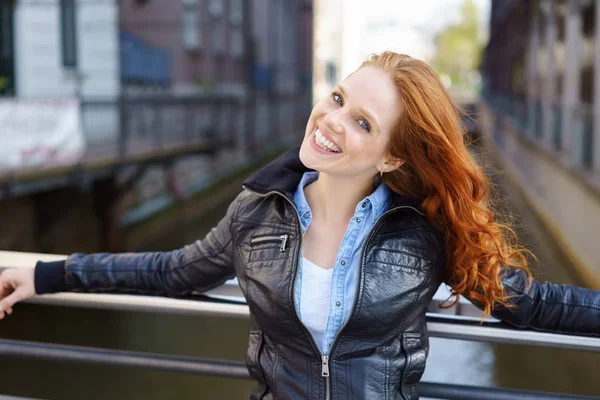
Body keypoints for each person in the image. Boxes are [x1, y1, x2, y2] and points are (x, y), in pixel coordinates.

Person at [1, 52, 600, 400]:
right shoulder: (256, 212)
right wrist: (44, 274)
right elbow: (171, 270)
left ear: (393, 157)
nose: (332, 120)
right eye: (338, 99)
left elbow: (530, 303)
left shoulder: (425, 235)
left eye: (363, 123)